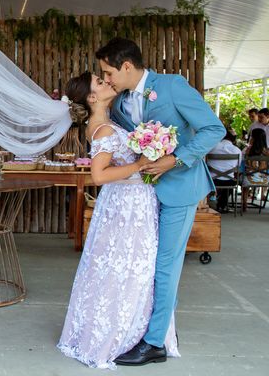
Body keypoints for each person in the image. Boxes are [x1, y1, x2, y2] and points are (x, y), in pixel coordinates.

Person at [95, 38, 225, 366]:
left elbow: (213, 129)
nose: (107, 78)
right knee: (144, 264)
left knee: (165, 265)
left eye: (108, 72)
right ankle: (157, 329)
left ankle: (154, 344)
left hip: (179, 189)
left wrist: (175, 159)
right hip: (143, 194)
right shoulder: (121, 103)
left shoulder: (171, 86)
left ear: (127, 66)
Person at [57, 72, 179, 369]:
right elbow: (99, 176)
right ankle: (121, 333)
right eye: (100, 82)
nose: (107, 82)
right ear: (91, 98)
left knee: (120, 266)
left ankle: (126, 327)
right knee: (131, 266)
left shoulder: (105, 124)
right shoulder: (103, 131)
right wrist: (140, 163)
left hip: (128, 203)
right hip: (127, 207)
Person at [207, 130, 242, 212]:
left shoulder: (212, 147)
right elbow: (238, 167)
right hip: (229, 181)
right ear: (233, 140)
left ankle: (211, 201)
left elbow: (206, 163)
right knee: (231, 179)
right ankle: (222, 205)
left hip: (212, 181)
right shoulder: (237, 150)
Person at [241, 127, 269, 211]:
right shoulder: (267, 152)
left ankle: (244, 204)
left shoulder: (247, 150)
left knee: (243, 177)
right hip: (265, 180)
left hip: (248, 179)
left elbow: (242, 163)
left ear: (252, 138)